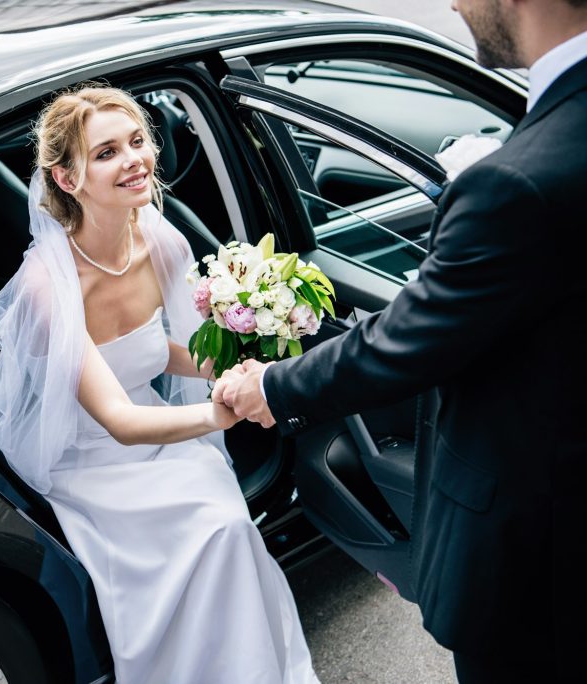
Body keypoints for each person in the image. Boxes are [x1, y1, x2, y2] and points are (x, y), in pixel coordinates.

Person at [213, 1, 587, 681]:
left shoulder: (514, 183)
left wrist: (271, 385)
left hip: (545, 567)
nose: (452, 3)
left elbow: (406, 343)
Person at [0, 86, 318, 683]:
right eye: (106, 152)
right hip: (89, 458)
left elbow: (163, 353)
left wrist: (239, 373)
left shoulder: (160, 239)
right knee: (209, 529)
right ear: (66, 177)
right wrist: (221, 414)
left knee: (228, 522)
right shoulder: (46, 288)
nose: (133, 159)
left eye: (137, 141)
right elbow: (118, 420)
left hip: (158, 427)